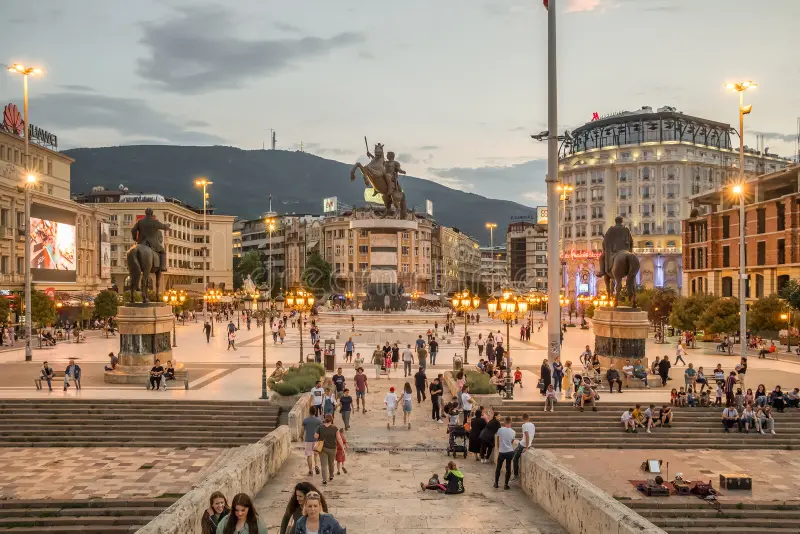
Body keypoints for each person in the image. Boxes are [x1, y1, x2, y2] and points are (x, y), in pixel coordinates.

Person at [314, 414, 341, 486]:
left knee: (323, 465)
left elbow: (315, 436)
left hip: (323, 448)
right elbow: (339, 438)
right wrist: (343, 448)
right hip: (332, 448)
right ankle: (331, 475)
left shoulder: (320, 427)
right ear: (332, 419)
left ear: (324, 419)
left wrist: (320, 435)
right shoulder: (335, 428)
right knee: (331, 463)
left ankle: (324, 480)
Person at [494, 416, 516, 490]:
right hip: (509, 451)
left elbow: (497, 440)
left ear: (504, 422)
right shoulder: (513, 432)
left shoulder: (500, 430)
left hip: (502, 451)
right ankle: (506, 484)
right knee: (508, 467)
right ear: (511, 422)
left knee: (498, 467)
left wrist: (498, 447)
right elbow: (512, 442)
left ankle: (496, 483)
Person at [511, 413, 534, 480]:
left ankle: (516, 475)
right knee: (513, 453)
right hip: (524, 443)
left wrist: (526, 447)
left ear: (522, 418)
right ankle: (513, 471)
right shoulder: (532, 425)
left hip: (523, 445)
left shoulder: (524, 425)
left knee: (515, 459)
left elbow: (527, 435)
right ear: (528, 418)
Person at [303, 407, 322, 476]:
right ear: (315, 412)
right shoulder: (319, 420)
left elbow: (304, 430)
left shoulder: (305, 420)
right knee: (316, 454)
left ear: (309, 412)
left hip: (308, 439)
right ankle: (316, 465)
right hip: (317, 440)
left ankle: (310, 471)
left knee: (309, 455)